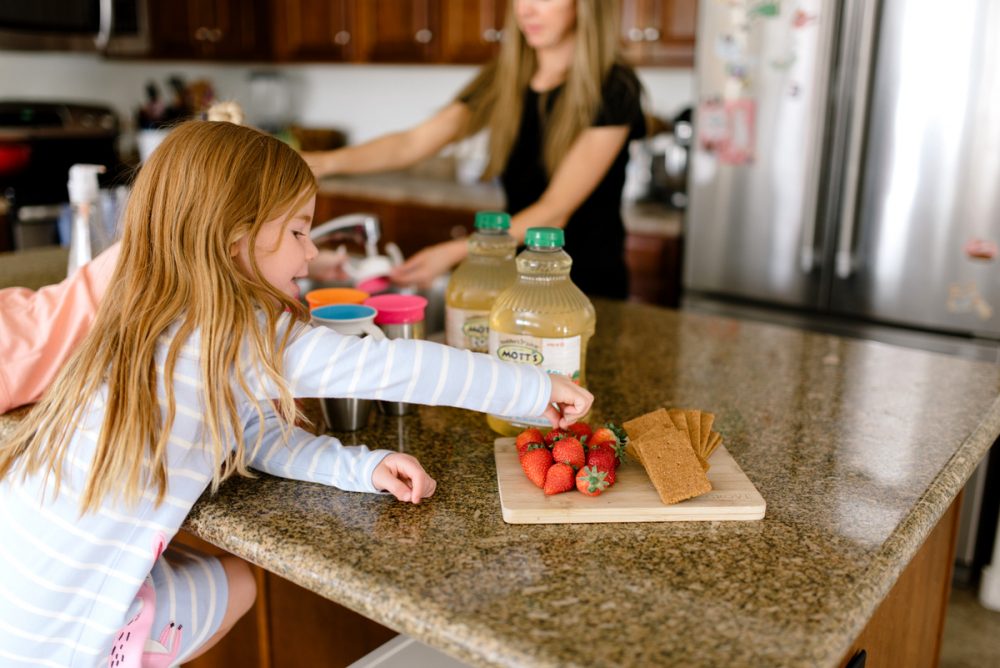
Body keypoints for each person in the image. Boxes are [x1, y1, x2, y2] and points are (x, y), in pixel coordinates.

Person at [0, 120, 592, 666]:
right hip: (71, 640)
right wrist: (534, 388)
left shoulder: (137, 312)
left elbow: (247, 429)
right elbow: (395, 368)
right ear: (238, 239)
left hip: (16, 596)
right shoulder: (242, 336)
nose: (311, 252)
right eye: (299, 231)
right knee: (237, 585)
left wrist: (360, 467)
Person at [304, 0, 646, 299]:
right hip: (520, 277)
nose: (525, 9)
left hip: (585, 284)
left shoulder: (615, 88)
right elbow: (413, 143)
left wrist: (455, 251)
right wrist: (322, 162)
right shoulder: (505, 76)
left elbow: (554, 212)